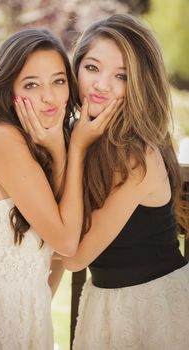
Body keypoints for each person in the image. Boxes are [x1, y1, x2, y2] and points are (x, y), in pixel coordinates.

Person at [0, 28, 121, 349]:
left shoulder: (38, 145)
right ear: (9, 91)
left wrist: (59, 152)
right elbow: (66, 241)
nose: (49, 96)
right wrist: (73, 150)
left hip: (26, 311)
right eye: (32, 85)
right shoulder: (4, 141)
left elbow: (54, 254)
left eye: (59, 81)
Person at [63, 14, 189, 350]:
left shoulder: (135, 154)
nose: (101, 85)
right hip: (105, 297)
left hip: (152, 304)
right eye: (92, 68)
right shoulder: (87, 134)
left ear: (139, 85)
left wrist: (76, 148)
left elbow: (74, 258)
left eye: (121, 76)